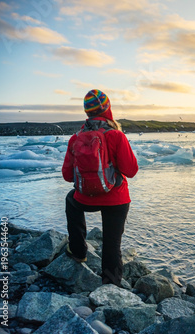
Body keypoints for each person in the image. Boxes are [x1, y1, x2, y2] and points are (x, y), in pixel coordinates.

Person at [62, 89, 138, 286]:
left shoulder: (76, 138)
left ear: (87, 112)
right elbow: (131, 171)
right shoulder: (116, 136)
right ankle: (110, 287)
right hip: (116, 199)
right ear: (107, 109)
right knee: (112, 244)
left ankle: (78, 251)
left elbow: (67, 175)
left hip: (85, 198)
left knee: (71, 199)